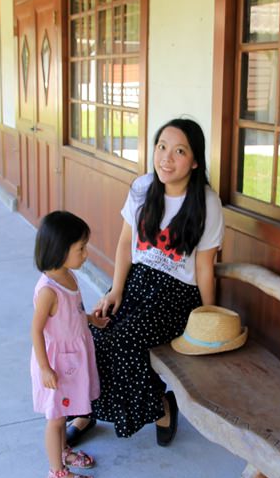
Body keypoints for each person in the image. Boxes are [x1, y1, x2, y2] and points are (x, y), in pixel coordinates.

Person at [67, 118, 224, 446]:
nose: (167, 157)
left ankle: (160, 407)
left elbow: (206, 267)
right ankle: (86, 411)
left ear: (195, 162)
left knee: (124, 339)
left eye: (179, 151)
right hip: (137, 283)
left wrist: (210, 318)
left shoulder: (206, 203)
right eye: (162, 147)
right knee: (96, 330)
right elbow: (126, 244)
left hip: (177, 295)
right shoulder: (142, 188)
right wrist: (115, 289)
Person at [31, 210, 109, 478]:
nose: (86, 254)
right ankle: (57, 472)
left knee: (65, 412)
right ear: (60, 250)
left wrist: (92, 320)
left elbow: (73, 312)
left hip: (74, 356)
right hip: (56, 362)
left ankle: (64, 449)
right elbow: (36, 330)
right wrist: (44, 367)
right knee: (55, 419)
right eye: (81, 248)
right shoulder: (48, 291)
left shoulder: (69, 277)